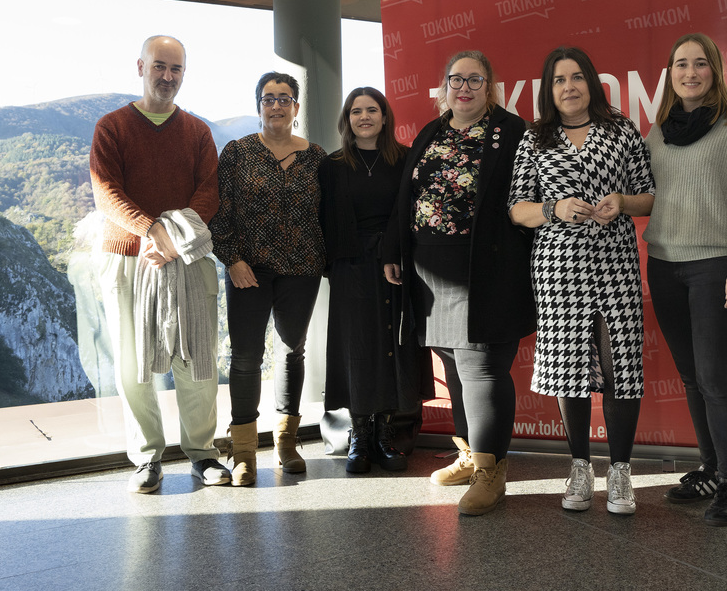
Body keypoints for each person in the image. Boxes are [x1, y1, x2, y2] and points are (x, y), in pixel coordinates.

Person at [384, 50, 535, 515]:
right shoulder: (432, 131)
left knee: (482, 368)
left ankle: (492, 471)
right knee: (452, 364)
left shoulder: (513, 132)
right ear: (444, 87)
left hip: (487, 268)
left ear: (490, 87)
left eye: (474, 79)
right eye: (456, 79)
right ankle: (469, 454)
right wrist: (394, 249)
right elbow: (408, 196)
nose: (464, 88)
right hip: (430, 269)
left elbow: (527, 198)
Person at [509, 46, 654, 515]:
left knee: (621, 366)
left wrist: (622, 202)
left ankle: (621, 471)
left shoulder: (621, 130)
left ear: (591, 81)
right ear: (548, 89)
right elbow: (517, 209)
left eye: (576, 77)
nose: (569, 87)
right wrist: (555, 208)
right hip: (558, 267)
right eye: (558, 80)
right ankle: (579, 467)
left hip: (616, 262)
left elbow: (648, 195)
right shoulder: (535, 138)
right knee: (568, 366)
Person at [89, 34, 230, 493]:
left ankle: (202, 454)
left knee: (196, 358)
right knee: (133, 365)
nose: (167, 76)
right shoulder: (112, 127)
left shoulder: (197, 131)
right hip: (128, 259)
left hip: (185, 258)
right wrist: (151, 230)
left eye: (176, 69)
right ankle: (146, 459)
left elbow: (210, 191)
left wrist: (172, 238)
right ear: (140, 67)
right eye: (159, 66)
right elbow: (105, 191)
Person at [643, 33, 727, 525]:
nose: (690, 72)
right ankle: (711, 469)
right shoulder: (658, 132)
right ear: (670, 74)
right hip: (664, 264)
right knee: (692, 376)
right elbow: (648, 194)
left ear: (715, 70)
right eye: (681, 64)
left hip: (718, 264)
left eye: (699, 64)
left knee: (716, 376)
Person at [209, 72, 326, 484]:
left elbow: (327, 213)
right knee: (245, 357)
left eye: (284, 98)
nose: (276, 105)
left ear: (296, 107)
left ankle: (285, 444)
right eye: (268, 98)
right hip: (249, 269)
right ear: (258, 105)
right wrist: (232, 259)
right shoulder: (237, 152)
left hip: (303, 267)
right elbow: (220, 211)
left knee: (292, 351)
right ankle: (244, 453)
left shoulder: (316, 157)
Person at [319, 87, 433, 474]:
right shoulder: (332, 165)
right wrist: (334, 268)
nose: (364, 117)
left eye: (372, 110)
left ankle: (386, 436)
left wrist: (393, 255)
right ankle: (360, 437)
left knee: (392, 346)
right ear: (347, 120)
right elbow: (325, 220)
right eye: (356, 111)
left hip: (395, 263)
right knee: (357, 348)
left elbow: (410, 213)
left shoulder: (404, 159)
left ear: (385, 117)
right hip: (350, 267)